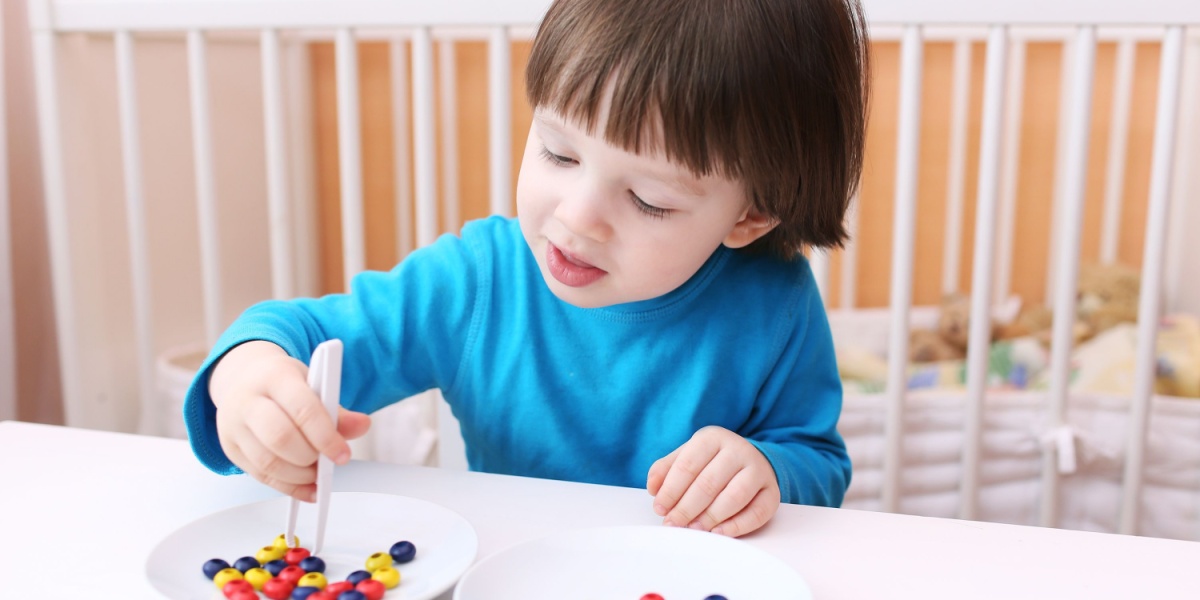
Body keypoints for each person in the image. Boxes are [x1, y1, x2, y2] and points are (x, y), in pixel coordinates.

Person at [185, 0, 870, 538]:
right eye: (558, 154)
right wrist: (246, 378)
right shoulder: (477, 282)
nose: (576, 218)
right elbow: (297, 332)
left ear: (749, 217)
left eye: (648, 200)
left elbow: (817, 461)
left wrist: (767, 473)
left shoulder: (775, 303)